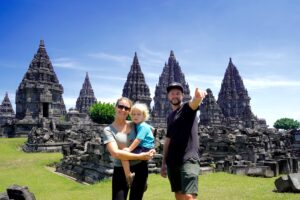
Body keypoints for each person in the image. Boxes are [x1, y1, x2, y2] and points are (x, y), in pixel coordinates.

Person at [160, 82, 207, 200]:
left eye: (178, 93)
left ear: (182, 96)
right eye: (172, 93)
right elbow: (168, 140)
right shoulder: (170, 117)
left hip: (189, 159)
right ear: (168, 96)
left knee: (188, 196)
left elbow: (194, 104)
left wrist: (198, 98)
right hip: (172, 161)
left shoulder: (187, 108)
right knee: (179, 195)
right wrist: (163, 163)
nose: (175, 95)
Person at [103, 97, 155, 200]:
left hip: (140, 168)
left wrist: (151, 148)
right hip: (120, 170)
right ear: (115, 107)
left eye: (126, 108)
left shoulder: (134, 124)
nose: (123, 110)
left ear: (129, 111)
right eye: (120, 106)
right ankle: (129, 177)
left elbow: (150, 131)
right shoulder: (108, 130)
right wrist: (140, 156)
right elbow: (116, 154)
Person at [120, 103, 155, 187]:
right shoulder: (140, 124)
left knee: (123, 156)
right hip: (145, 147)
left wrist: (129, 149)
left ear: (144, 116)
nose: (135, 116)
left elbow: (138, 139)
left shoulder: (142, 126)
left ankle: (128, 176)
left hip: (143, 148)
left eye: (138, 114)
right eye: (133, 114)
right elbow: (153, 129)